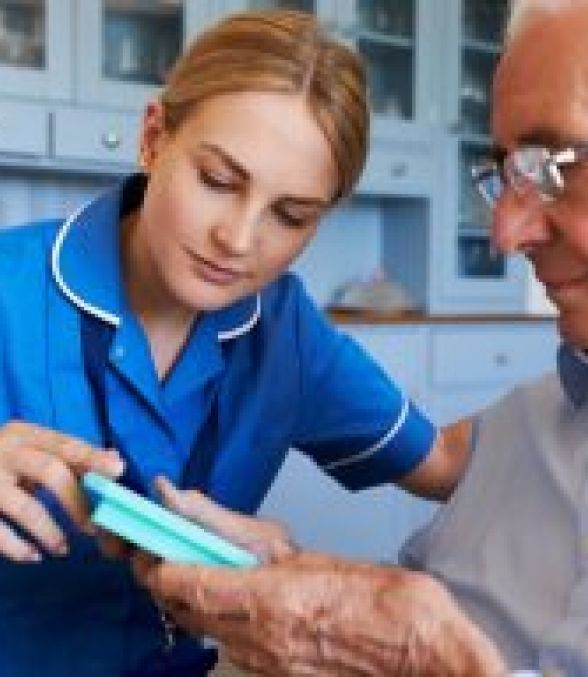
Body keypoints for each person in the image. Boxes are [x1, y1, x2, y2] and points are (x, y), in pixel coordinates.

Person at [135, 0, 588, 675]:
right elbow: (410, 595)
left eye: (551, 164)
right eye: (507, 173)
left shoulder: (285, 333)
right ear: (152, 139)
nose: (504, 234)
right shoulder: (525, 424)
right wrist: (291, 576)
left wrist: (440, 663)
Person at [0, 10, 470, 676]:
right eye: (219, 181)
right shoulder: (9, 285)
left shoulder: (286, 332)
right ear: (154, 137)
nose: (240, 239)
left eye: (290, 214)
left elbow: (448, 463)